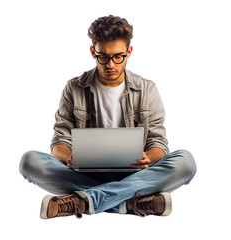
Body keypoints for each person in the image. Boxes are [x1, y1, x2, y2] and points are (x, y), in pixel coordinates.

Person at [19, 15, 196, 219]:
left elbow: (158, 143)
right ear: (93, 52)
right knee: (29, 161)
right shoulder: (74, 88)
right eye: (103, 56)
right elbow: (60, 141)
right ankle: (128, 203)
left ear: (129, 52)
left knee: (186, 162)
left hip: (136, 174)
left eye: (118, 56)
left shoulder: (147, 89)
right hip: (84, 173)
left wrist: (149, 157)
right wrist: (68, 157)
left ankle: (85, 200)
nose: (110, 64)